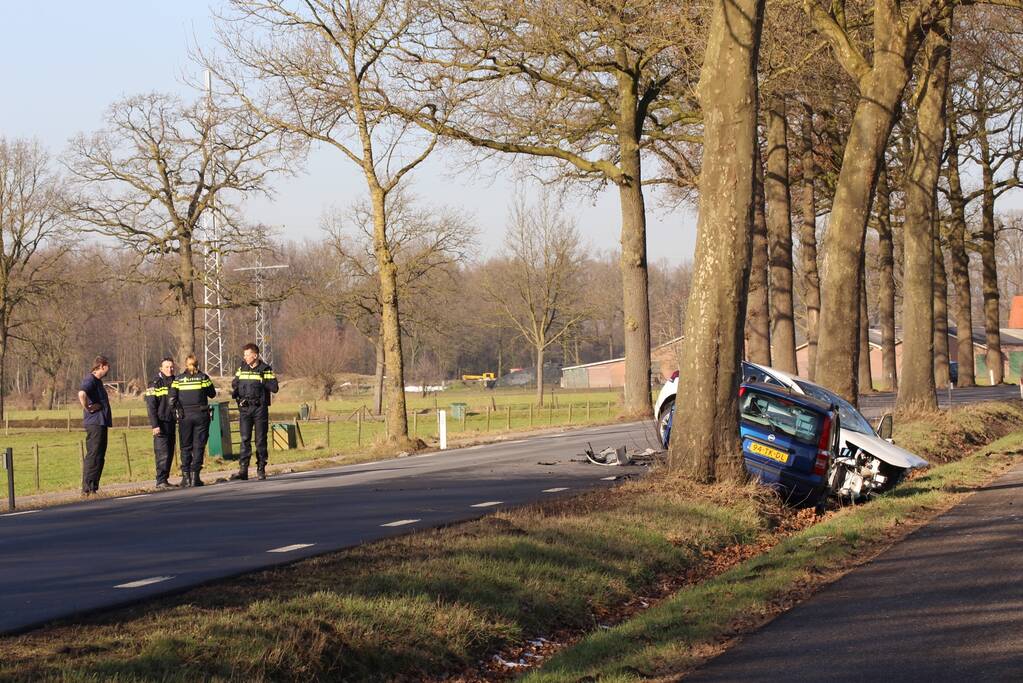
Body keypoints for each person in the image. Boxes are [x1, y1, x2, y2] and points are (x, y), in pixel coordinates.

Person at [231, 343, 279, 481]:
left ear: (255, 355)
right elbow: (234, 383)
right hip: (245, 409)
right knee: (245, 439)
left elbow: (275, 388)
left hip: (259, 409)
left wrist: (263, 380)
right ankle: (243, 469)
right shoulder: (242, 368)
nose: (245, 357)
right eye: (244, 355)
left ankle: (261, 468)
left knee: (260, 440)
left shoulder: (265, 369)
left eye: (247, 355)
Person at [168, 354, 216, 487]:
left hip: (185, 416)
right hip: (201, 414)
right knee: (199, 445)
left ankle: (186, 477)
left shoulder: (178, 379)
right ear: (197, 364)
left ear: (185, 364)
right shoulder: (203, 378)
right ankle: (195, 476)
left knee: (185, 446)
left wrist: (176, 411)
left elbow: (171, 399)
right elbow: (212, 393)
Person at [78, 356, 112, 496]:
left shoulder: (98, 382)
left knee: (100, 455)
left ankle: (93, 488)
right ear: (102, 366)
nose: (109, 369)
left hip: (101, 423)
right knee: (93, 455)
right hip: (95, 423)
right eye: (108, 366)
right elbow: (81, 393)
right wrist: (88, 408)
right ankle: (87, 488)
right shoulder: (90, 379)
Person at [145, 357, 177, 489]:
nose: (169, 369)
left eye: (171, 367)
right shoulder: (155, 383)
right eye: (167, 367)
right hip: (160, 421)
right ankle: (160, 480)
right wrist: (155, 425)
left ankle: (165, 479)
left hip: (171, 420)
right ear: (161, 368)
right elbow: (151, 406)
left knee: (170, 451)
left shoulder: (175, 381)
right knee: (162, 452)